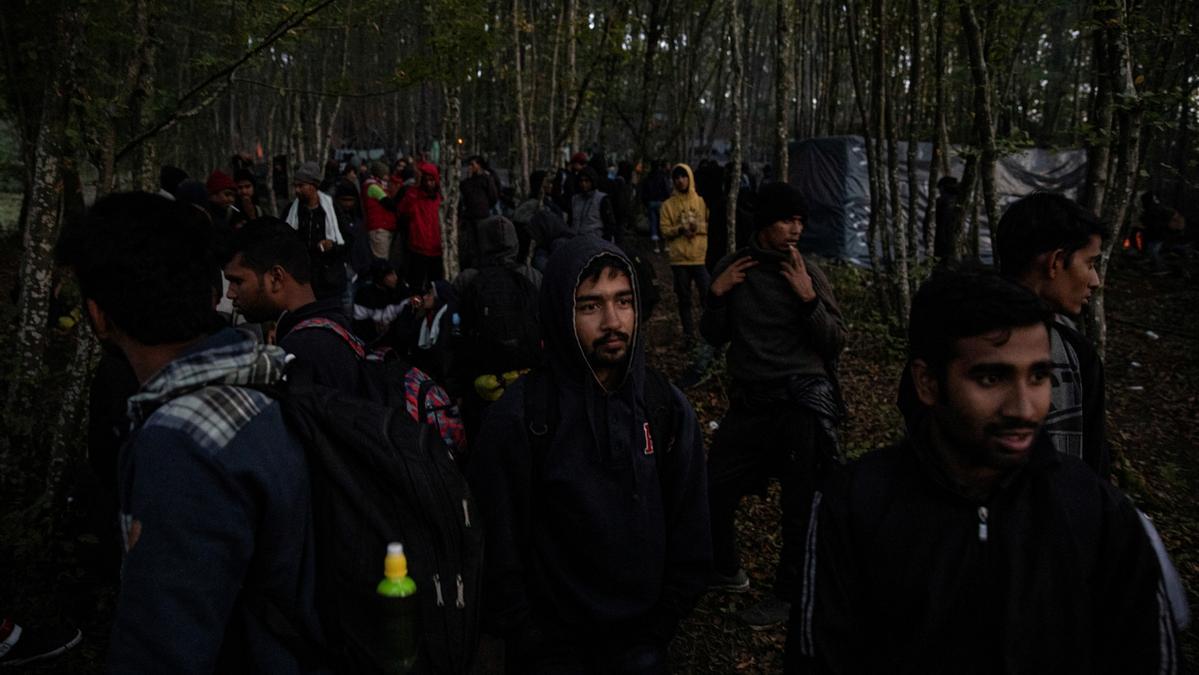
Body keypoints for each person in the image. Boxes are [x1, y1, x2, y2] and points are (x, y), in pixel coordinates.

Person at [789, 268, 1181, 673]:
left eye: (1039, 376)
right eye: (992, 377)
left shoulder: (1098, 513)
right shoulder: (856, 505)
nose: (1024, 408)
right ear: (927, 382)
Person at [58, 192, 319, 672]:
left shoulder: (180, 443)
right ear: (210, 292)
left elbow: (162, 647)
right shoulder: (263, 383)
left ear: (98, 316)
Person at [467, 236, 711, 673]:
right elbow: (496, 543)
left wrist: (662, 623)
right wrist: (528, 634)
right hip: (551, 649)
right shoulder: (522, 417)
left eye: (623, 301)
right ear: (561, 314)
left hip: (643, 643)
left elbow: (690, 524)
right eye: (590, 306)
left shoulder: (663, 407)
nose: (613, 321)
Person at [700, 181, 847, 629]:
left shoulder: (806, 271)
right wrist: (717, 294)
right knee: (713, 488)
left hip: (801, 403)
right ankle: (726, 570)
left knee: (800, 505)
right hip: (751, 403)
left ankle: (789, 594)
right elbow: (713, 335)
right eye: (787, 220)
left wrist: (808, 299)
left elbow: (836, 341)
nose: (796, 229)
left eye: (801, 220)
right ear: (765, 223)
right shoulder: (735, 267)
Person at [994, 192, 1108, 475]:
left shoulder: (1077, 352)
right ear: (1055, 262)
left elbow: (1094, 471)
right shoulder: (962, 342)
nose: (1095, 281)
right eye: (1090, 263)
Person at [224, 218, 365, 396]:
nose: (230, 293)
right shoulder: (334, 324)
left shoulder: (302, 352)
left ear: (276, 277)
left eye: (238, 281)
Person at [659, 163, 710, 348]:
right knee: (684, 298)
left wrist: (698, 228)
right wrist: (679, 229)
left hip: (699, 257)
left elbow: (711, 225)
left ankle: (709, 336)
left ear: (690, 178)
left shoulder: (701, 202)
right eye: (677, 178)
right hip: (679, 259)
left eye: (683, 177)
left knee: (707, 296)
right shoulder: (668, 205)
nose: (680, 181)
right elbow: (664, 230)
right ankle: (688, 335)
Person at [285, 160, 348, 300]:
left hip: (330, 281)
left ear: (314, 186)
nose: (297, 190)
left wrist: (332, 246)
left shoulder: (332, 210)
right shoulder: (292, 211)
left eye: (301, 186)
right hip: (302, 280)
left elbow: (347, 240)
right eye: (295, 186)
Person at [396, 161, 445, 287]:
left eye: (432, 180)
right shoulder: (414, 196)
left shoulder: (441, 199)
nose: (429, 183)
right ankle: (416, 306)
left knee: (434, 286)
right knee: (415, 285)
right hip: (418, 248)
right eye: (426, 180)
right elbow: (402, 210)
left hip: (436, 249)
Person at [361, 160, 397, 260]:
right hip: (379, 229)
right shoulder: (373, 187)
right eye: (386, 174)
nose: (388, 177)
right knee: (381, 260)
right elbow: (388, 203)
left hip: (383, 227)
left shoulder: (377, 185)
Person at [570, 166, 616, 241]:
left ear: (592, 181)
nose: (583, 184)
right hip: (576, 240)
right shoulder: (575, 199)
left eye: (586, 181)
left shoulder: (601, 199)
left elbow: (610, 225)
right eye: (581, 181)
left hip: (595, 242)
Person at [639, 161, 672, 253]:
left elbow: (644, 193)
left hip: (651, 203)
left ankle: (656, 246)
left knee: (653, 225)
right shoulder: (663, 177)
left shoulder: (648, 178)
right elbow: (667, 190)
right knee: (664, 224)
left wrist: (646, 203)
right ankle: (666, 245)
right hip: (661, 202)